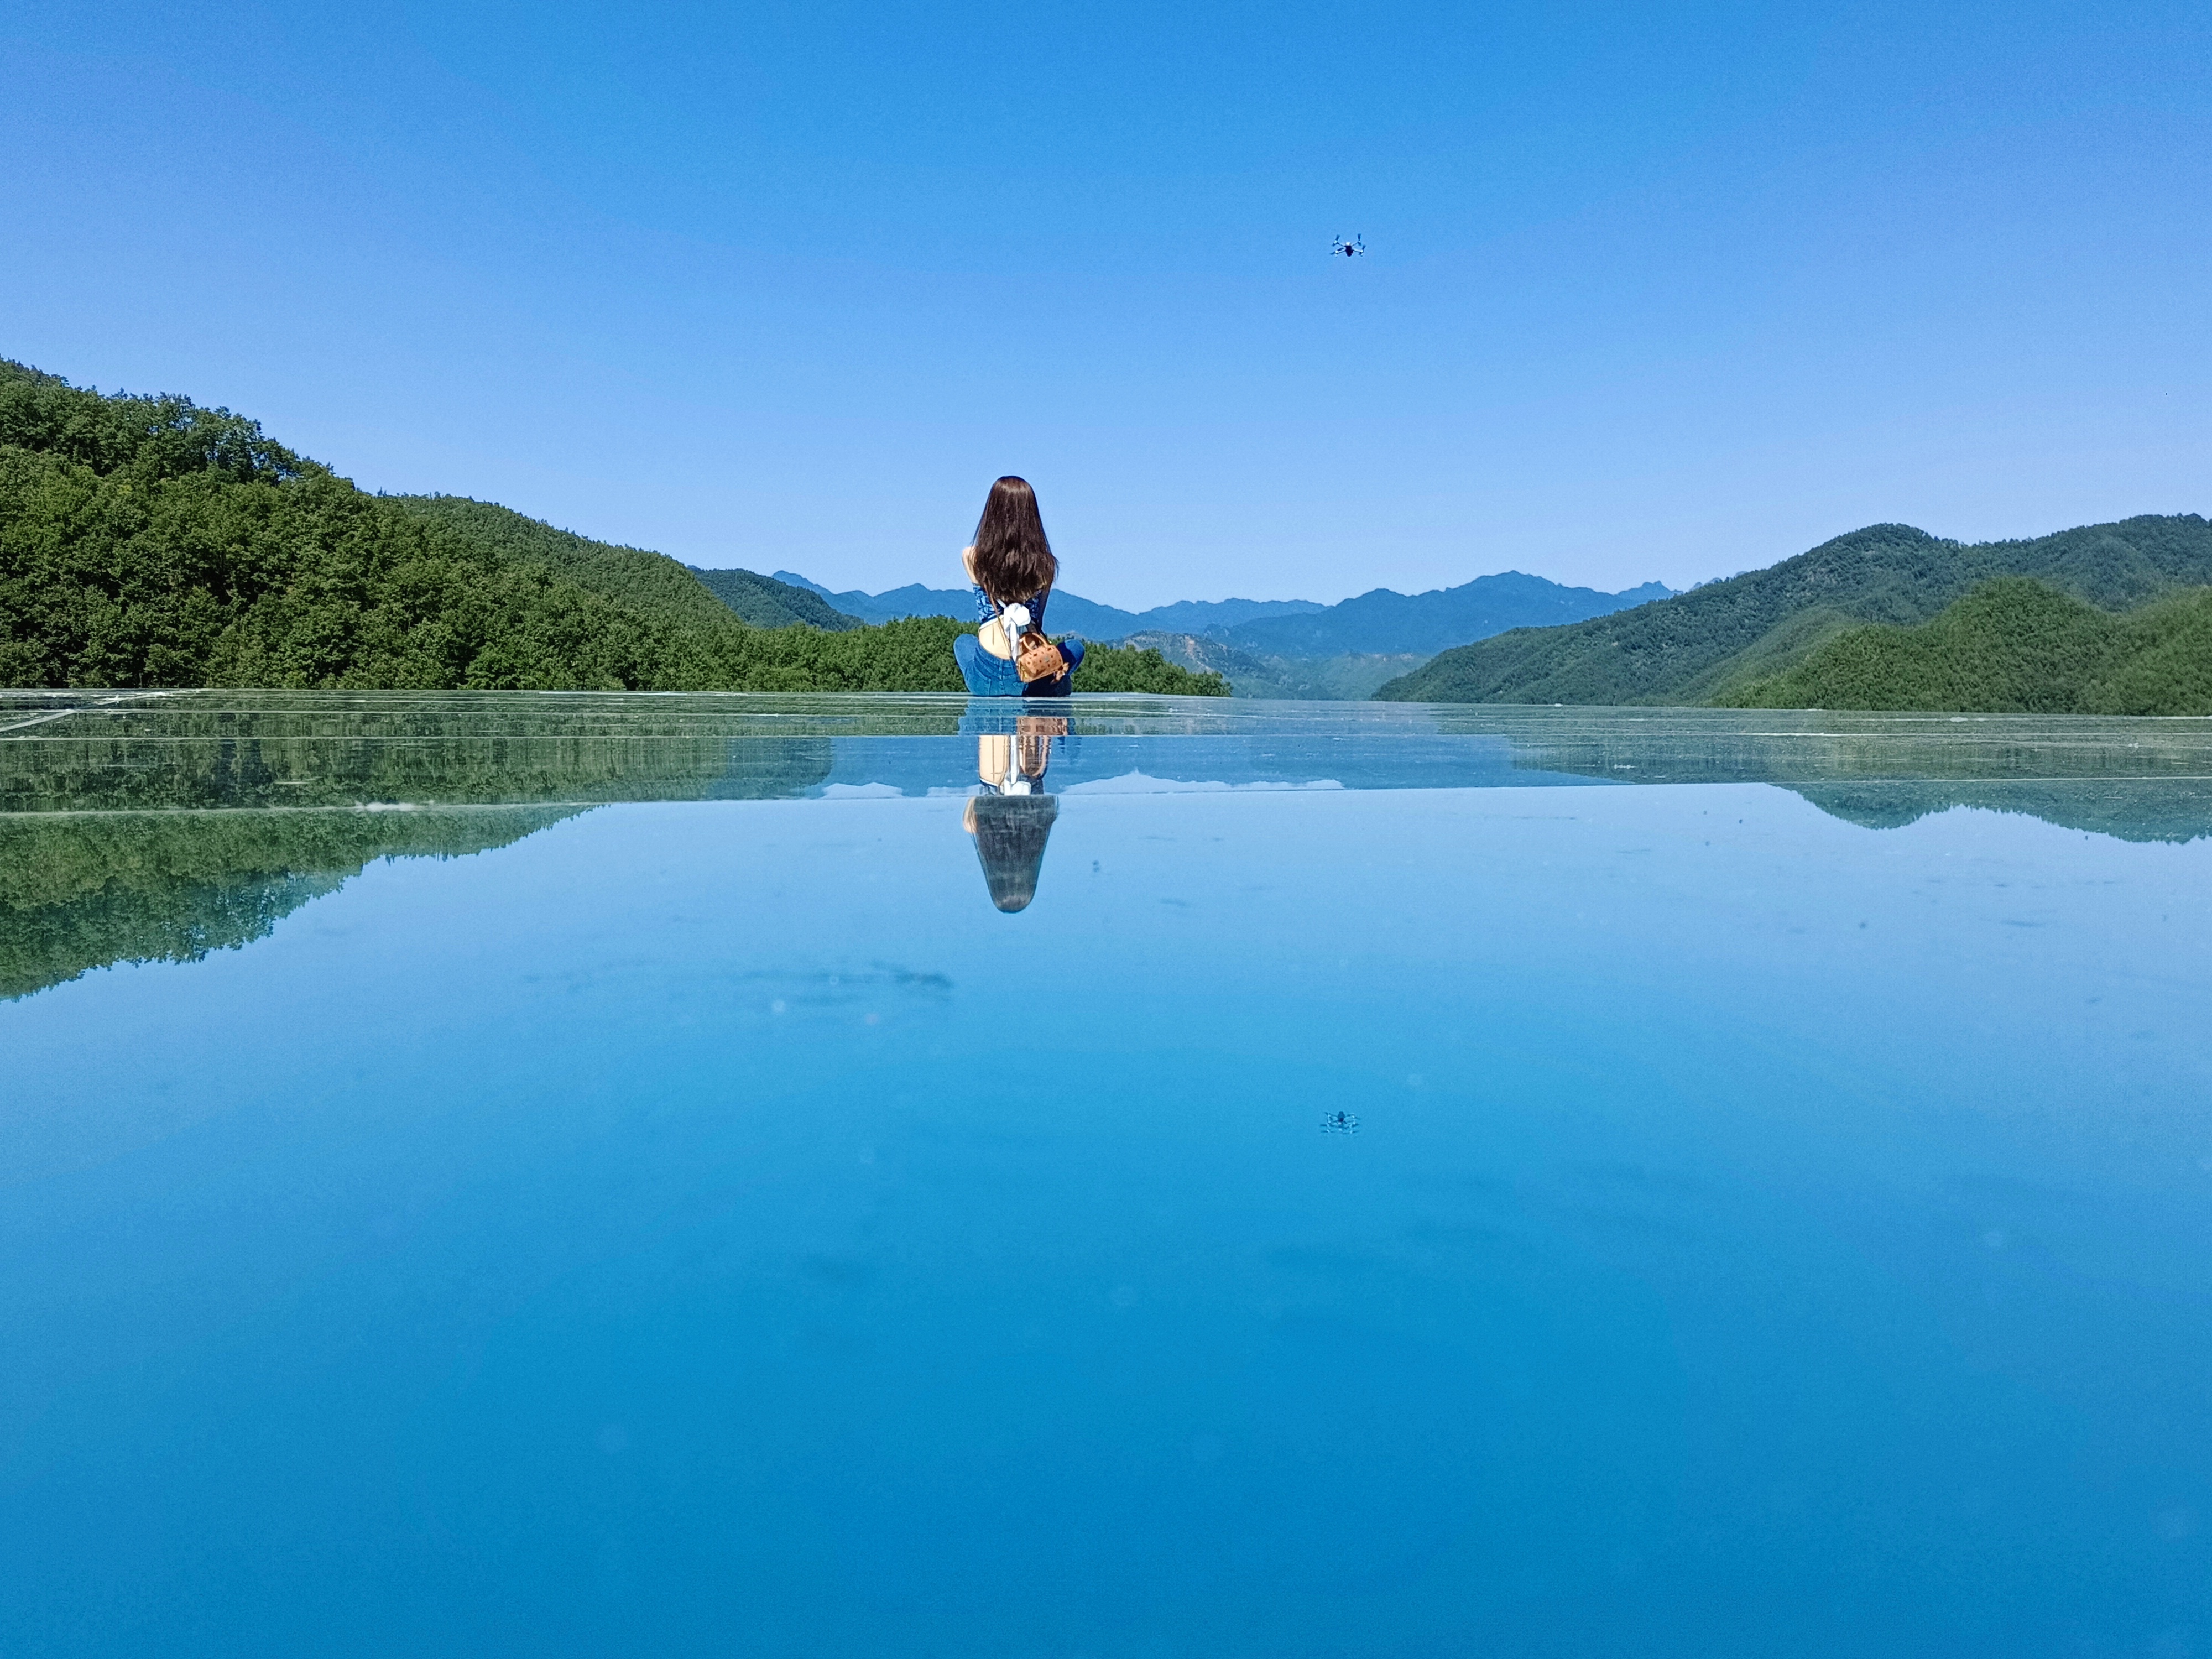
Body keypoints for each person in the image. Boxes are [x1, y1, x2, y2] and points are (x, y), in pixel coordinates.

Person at [952, 476, 1086, 697]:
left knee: (963, 642)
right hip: (1032, 676)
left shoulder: (972, 557)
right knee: (1075, 648)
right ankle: (1055, 682)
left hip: (985, 680)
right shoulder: (1046, 565)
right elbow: (1037, 623)